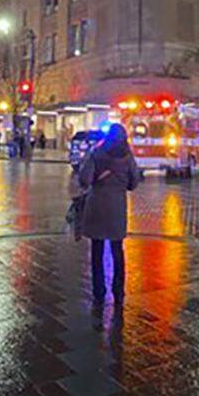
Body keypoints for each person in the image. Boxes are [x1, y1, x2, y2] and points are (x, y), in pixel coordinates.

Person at [78, 123, 142, 306]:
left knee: (96, 251)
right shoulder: (128, 157)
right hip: (117, 209)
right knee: (117, 250)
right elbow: (134, 183)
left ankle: (99, 292)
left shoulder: (96, 153)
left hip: (97, 206)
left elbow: (84, 179)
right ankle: (118, 290)